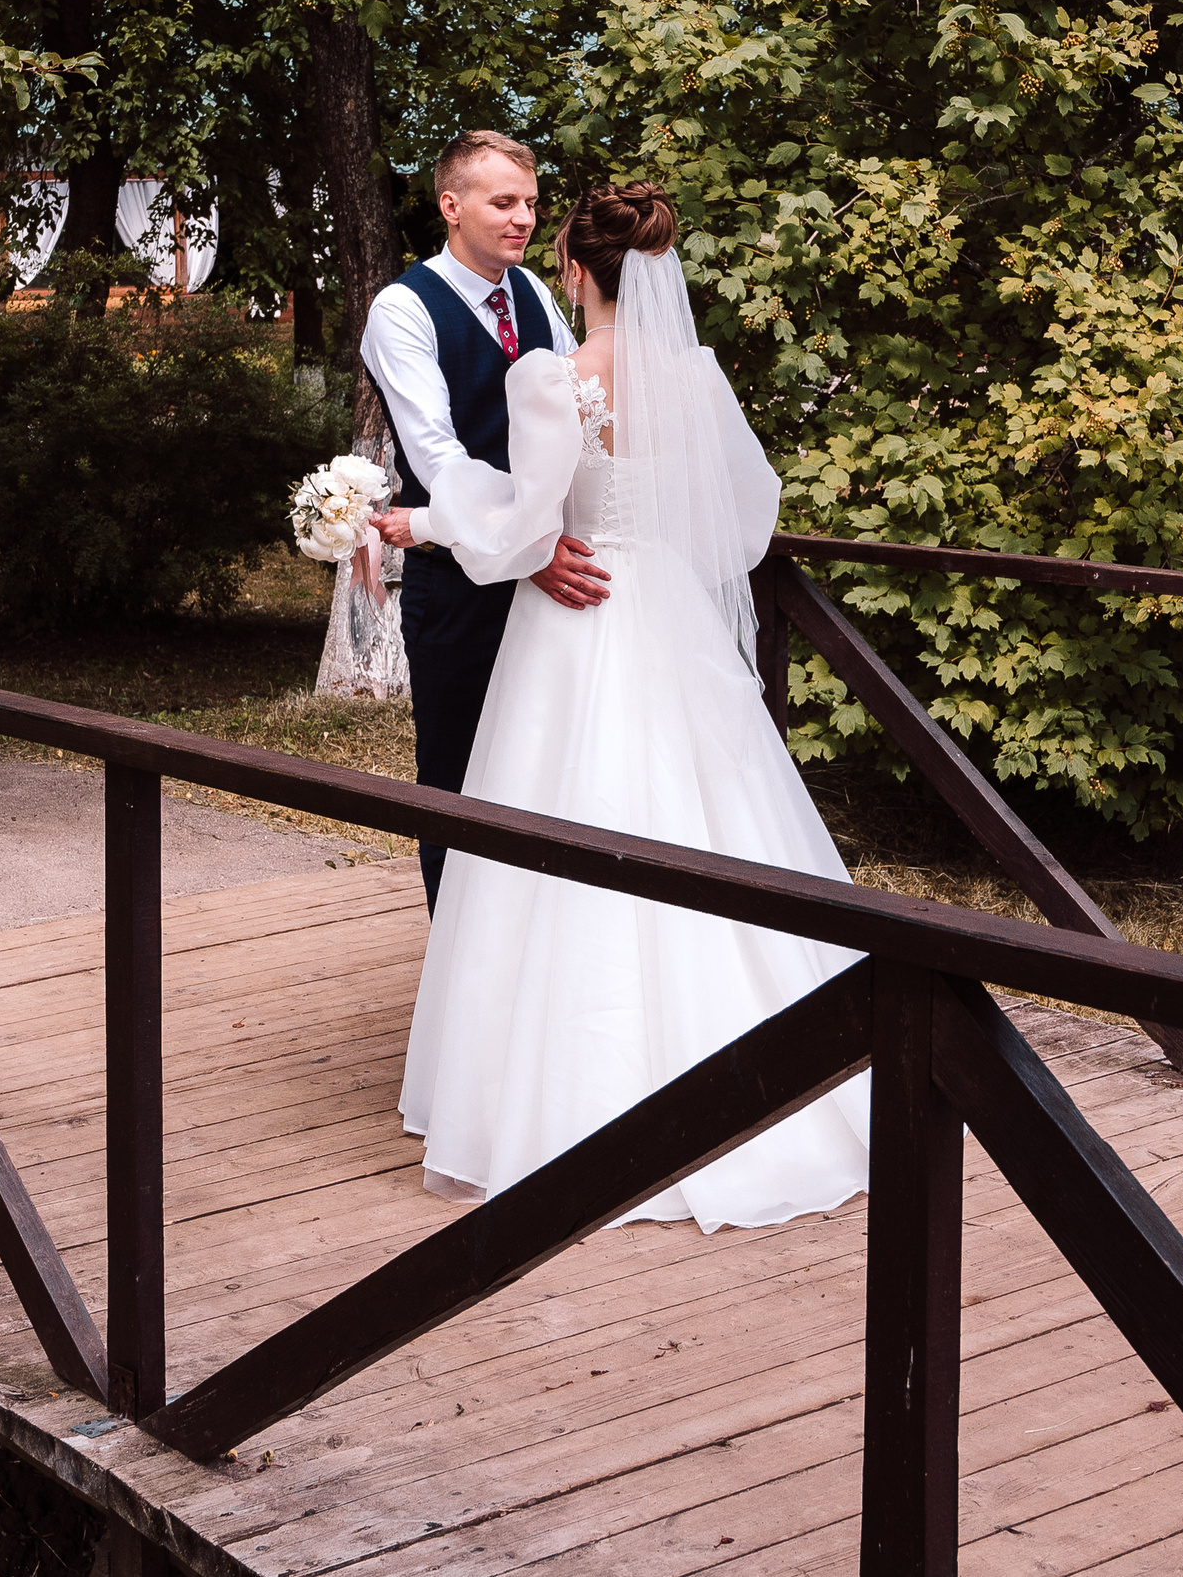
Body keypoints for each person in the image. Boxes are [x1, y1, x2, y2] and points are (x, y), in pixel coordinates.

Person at [368, 181, 870, 1231]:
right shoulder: (697, 373)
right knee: (705, 812)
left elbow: (520, 526)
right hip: (671, 619)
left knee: (565, 822)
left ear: (575, 269)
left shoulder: (551, 375)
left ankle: (560, 1098)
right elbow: (746, 512)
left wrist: (418, 524)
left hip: (579, 624)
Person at [361, 130, 607, 912]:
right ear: (451, 204)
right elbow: (439, 460)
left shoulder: (532, 294)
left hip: (551, 575)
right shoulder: (403, 309)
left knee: (545, 769)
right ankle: (454, 981)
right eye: (504, 202)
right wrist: (526, 547)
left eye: (531, 203)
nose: (523, 219)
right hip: (460, 587)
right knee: (460, 781)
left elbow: (576, 419)